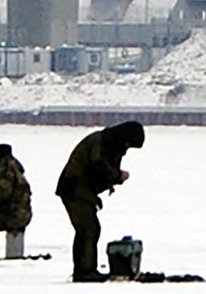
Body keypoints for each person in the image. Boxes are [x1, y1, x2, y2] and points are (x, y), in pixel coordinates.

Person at [57, 120, 146, 284]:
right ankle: (84, 271)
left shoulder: (111, 144)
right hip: (74, 189)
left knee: (90, 228)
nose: (127, 148)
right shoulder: (100, 142)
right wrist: (118, 176)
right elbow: (98, 167)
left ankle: (87, 268)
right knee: (88, 228)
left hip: (82, 190)